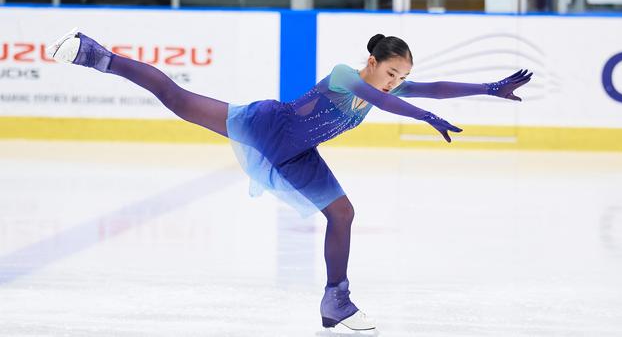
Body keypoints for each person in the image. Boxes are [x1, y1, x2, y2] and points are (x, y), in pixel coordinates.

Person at [47, 29, 532, 331]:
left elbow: (434, 87)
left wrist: (490, 88)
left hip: (299, 153)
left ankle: (336, 301)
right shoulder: (348, 75)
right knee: (177, 98)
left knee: (342, 213)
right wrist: (424, 116)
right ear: (372, 63)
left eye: (401, 75)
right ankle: (94, 54)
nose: (394, 81)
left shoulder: (388, 84)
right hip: (268, 124)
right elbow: (384, 102)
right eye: (391, 71)